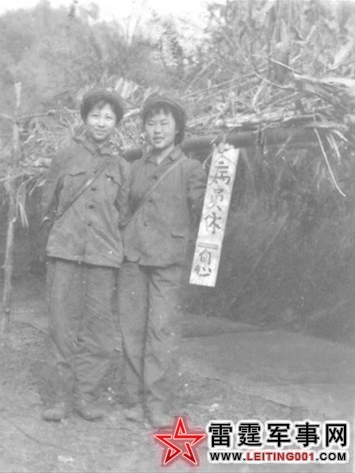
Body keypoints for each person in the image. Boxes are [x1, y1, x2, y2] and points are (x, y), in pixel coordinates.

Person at [40, 89, 130, 422]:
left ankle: (86, 396)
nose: (101, 123)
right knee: (62, 327)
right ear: (85, 119)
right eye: (95, 115)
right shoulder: (65, 157)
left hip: (103, 259)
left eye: (108, 117)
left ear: (116, 123)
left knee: (99, 332)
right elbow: (47, 203)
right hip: (65, 253)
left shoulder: (122, 167)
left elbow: (124, 212)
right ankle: (58, 398)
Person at [117, 94, 207, 428]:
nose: (157, 130)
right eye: (151, 123)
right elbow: (123, 210)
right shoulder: (134, 169)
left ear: (177, 129)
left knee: (161, 330)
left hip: (168, 259)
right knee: (132, 329)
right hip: (133, 257)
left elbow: (205, 209)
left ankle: (158, 404)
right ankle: (132, 399)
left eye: (164, 123)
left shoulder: (190, 168)